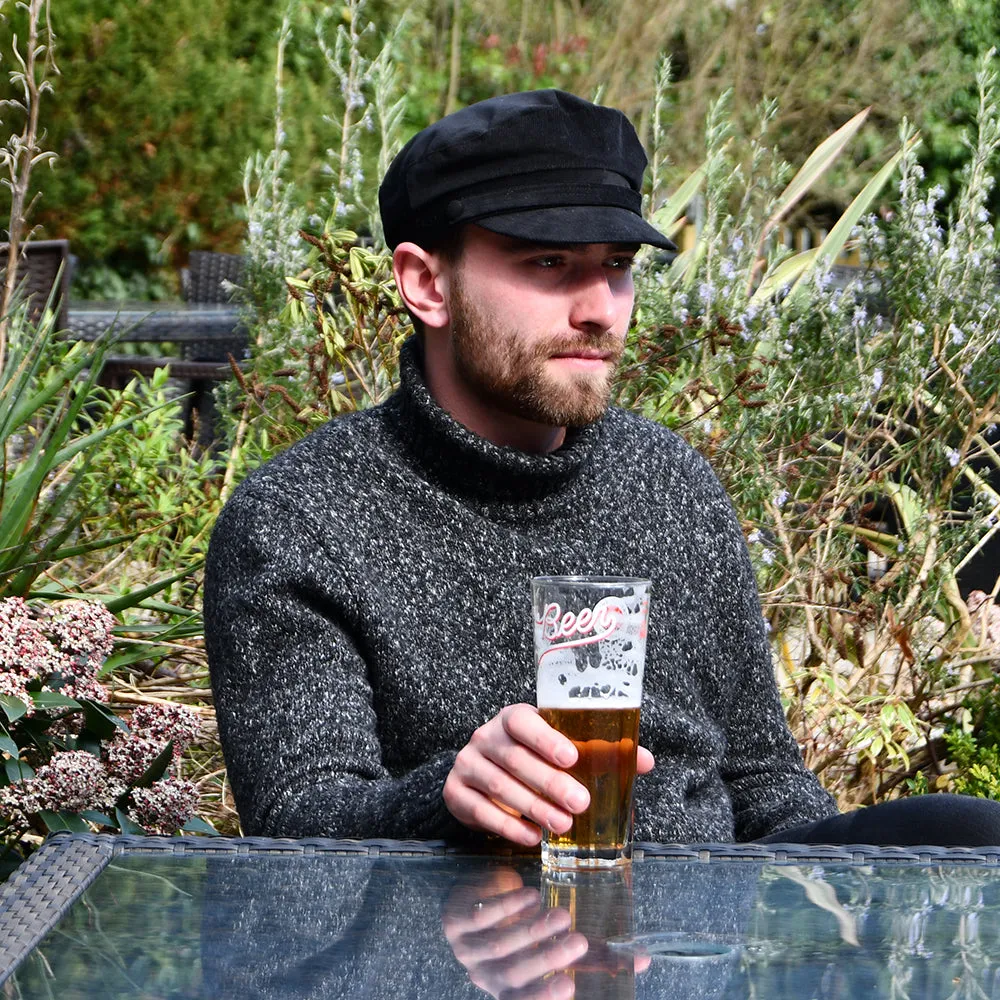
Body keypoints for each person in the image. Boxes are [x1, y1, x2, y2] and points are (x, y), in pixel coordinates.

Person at [204, 89, 1000, 848]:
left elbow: (765, 787)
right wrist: (446, 796)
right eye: (549, 263)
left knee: (970, 832)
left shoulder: (669, 481)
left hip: (693, 958)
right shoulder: (301, 518)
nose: (600, 308)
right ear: (425, 282)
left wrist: (819, 925)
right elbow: (300, 834)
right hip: (471, 957)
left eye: (616, 263)